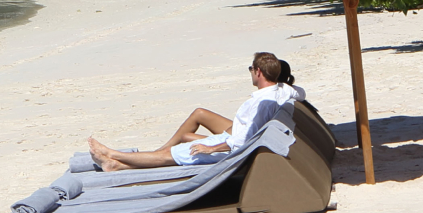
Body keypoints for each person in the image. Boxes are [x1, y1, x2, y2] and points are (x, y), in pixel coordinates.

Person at [87, 52, 303, 171]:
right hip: (231, 142)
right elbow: (299, 93)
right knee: (173, 151)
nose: (250, 74)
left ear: (258, 72)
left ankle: (112, 155)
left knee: (168, 154)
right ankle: (117, 164)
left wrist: (211, 149)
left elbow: (244, 140)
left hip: (231, 151)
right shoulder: (281, 92)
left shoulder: (262, 103)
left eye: (251, 70)